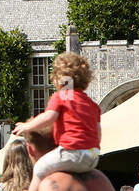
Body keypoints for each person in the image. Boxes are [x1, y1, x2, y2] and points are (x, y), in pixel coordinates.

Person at [12, 51, 102, 180]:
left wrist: (28, 126)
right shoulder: (92, 104)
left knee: (39, 167)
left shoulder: (61, 96)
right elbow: (98, 132)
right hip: (93, 157)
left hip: (71, 153)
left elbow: (49, 117)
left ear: (57, 80)